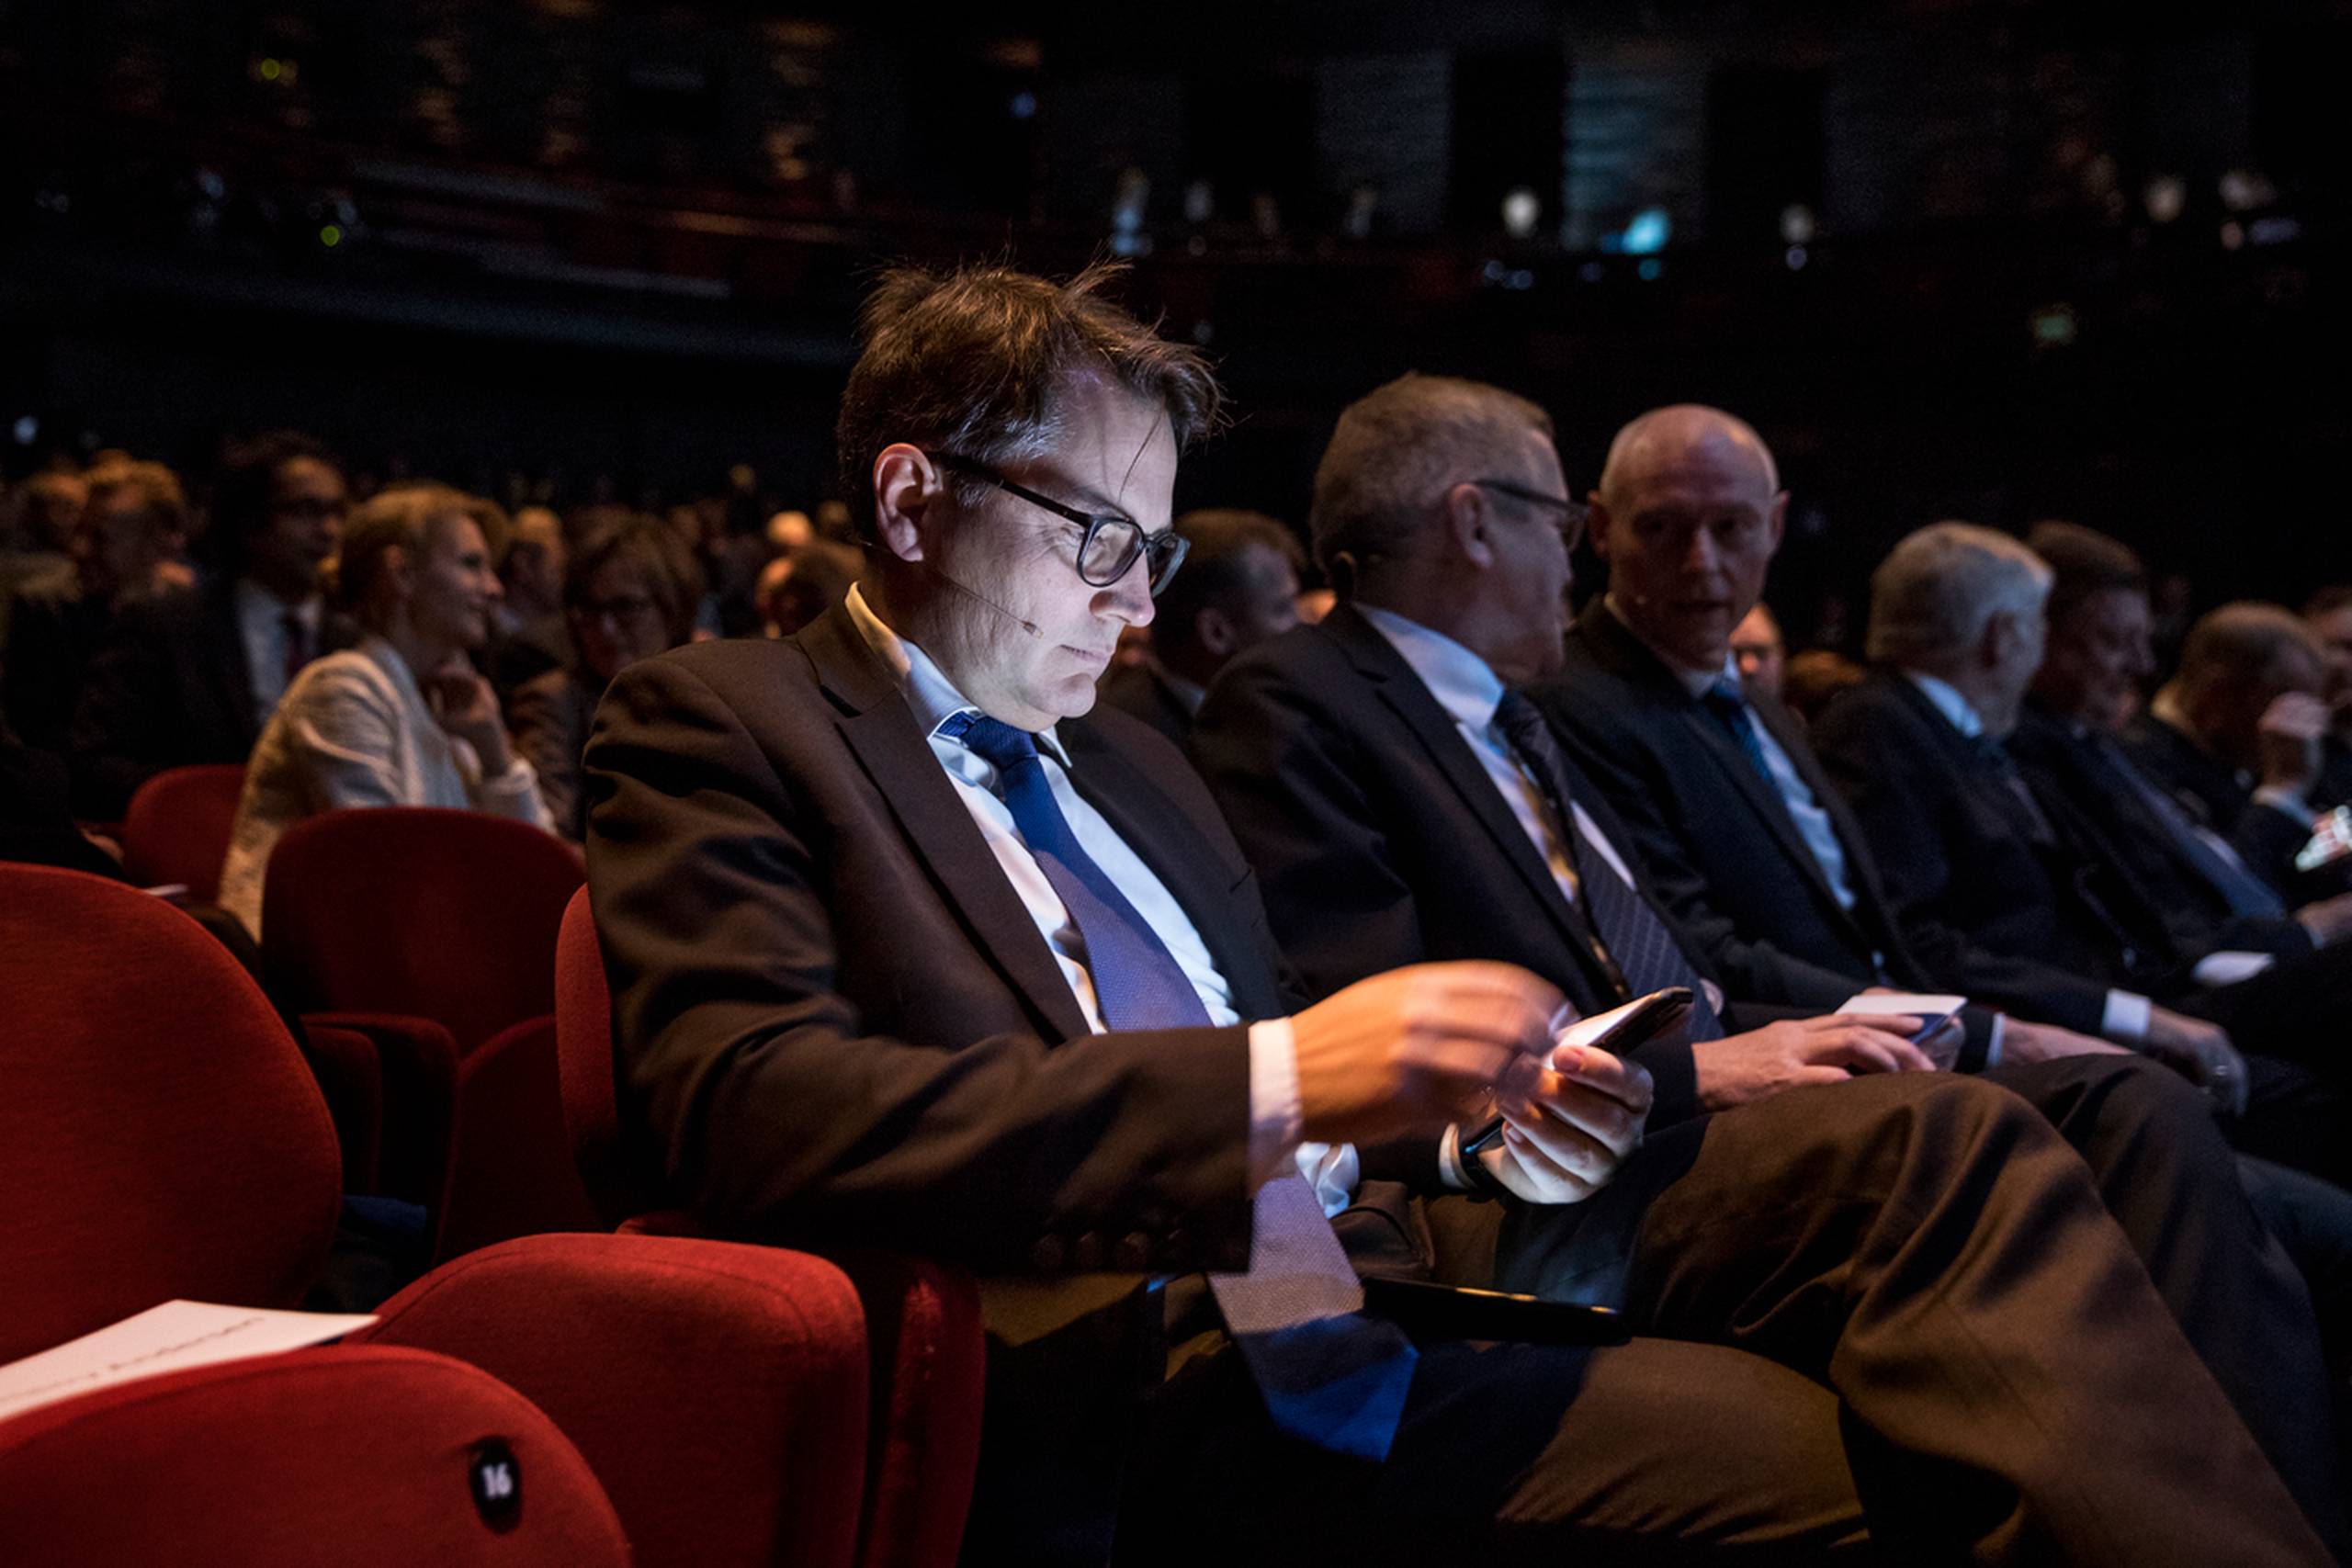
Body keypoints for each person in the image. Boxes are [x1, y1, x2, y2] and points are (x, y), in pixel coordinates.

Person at [587, 276, 2335, 1565]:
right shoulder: (727, 716)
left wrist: (1495, 1125)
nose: (1133, 609)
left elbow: (1344, 1122)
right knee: (1881, 1474)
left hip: (1388, 1278)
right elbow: (757, 1106)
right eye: (1099, 542)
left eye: (1158, 557)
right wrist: (1285, 1076)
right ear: (911, 499)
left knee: (1962, 1188)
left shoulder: (1133, 759)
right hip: (1133, 1362)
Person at [1189, 376, 2345, 1551]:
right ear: (1476, 521)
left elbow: (1683, 955)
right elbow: (1374, 1050)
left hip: (1678, 1099)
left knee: (2128, 1102)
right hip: (1560, 1169)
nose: (1576, 559)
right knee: (1951, 1134)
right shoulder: (1301, 700)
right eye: (1561, 521)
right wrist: (1705, 1071)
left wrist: (1813, 1035)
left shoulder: (1511, 721)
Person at [218, 484, 551, 936]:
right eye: (472, 565)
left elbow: (539, 868)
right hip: (314, 969)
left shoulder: (450, 706)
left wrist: (494, 754)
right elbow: (388, 871)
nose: (494, 589)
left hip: (419, 951)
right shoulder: (342, 685)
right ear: (402, 573)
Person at [69, 432, 353, 818]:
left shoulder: (354, 637)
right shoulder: (166, 625)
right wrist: (206, 802)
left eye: (339, 512)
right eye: (304, 511)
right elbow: (97, 763)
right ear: (249, 522)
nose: (329, 531)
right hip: (198, 847)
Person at [2125, 602, 2342, 899]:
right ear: (2220, 692)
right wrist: (2283, 791)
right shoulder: (2141, 763)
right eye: (2290, 705)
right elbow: (2228, 893)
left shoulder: (2237, 753)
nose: (2304, 728)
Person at [508, 514, 703, 841]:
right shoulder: (553, 701)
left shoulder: (705, 690)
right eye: (589, 610)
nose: (606, 629)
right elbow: (552, 843)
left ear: (672, 608)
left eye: (625, 607)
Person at [2, 459, 191, 755]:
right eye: (79, 531)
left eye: (99, 536)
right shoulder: (46, 611)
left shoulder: (193, 618)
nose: (78, 549)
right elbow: (38, 737)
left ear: (164, 542)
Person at [1096, 508, 1302, 746]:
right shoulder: (1129, 741)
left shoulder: (1262, 711)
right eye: (1283, 609)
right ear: (1216, 633)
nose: (1302, 626)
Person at [485, 503, 571, 697]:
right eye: (557, 571)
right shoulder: (483, 639)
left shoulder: (557, 634)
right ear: (523, 565)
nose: (565, 582)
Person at [1726, 600, 1785, 700]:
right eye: (1736, 653)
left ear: (1781, 655)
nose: (1749, 667)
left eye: (1760, 652)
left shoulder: (1791, 715)